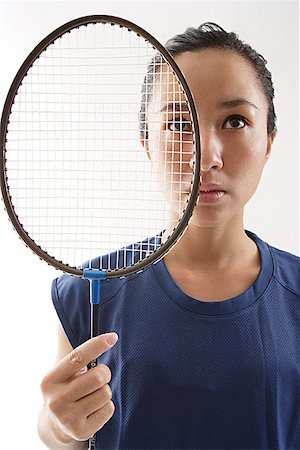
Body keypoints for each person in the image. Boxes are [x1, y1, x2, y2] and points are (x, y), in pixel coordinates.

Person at [38, 23, 300, 450]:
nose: (206, 156)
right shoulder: (91, 290)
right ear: (146, 143)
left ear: (269, 140)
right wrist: (60, 426)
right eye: (179, 123)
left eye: (235, 121)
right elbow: (60, 432)